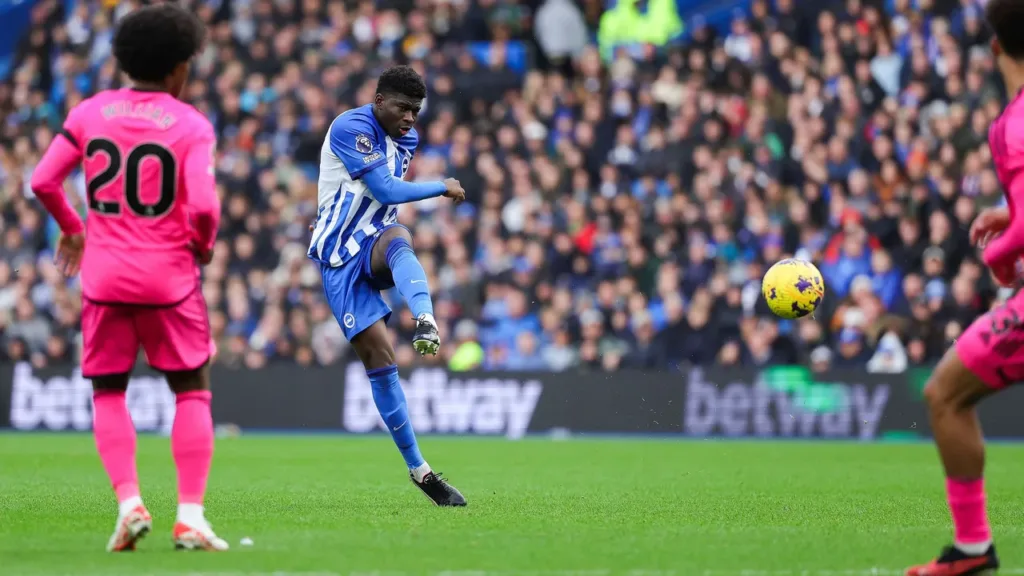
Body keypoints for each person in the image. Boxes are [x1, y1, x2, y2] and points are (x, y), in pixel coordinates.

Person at [29, 4, 227, 552]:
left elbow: (43, 180)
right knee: (192, 390)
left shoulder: (89, 114)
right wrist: (203, 247)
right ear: (179, 68)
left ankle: (129, 505)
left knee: (108, 391)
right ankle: (190, 518)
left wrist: (74, 230)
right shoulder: (191, 125)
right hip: (169, 281)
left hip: (104, 280)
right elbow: (205, 207)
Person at [307, 65, 467, 506]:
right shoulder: (351, 127)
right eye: (402, 107)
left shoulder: (406, 138)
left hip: (374, 238)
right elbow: (386, 190)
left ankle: (426, 318)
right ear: (379, 101)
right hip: (338, 256)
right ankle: (420, 471)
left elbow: (381, 203)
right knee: (380, 359)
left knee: (399, 238)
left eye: (416, 110)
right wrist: (442, 187)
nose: (410, 117)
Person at [906, 1, 1024, 574]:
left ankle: (973, 547)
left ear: (994, 48)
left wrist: (1001, 256)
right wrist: (1010, 213)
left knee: (946, 395)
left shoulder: (1015, 123)